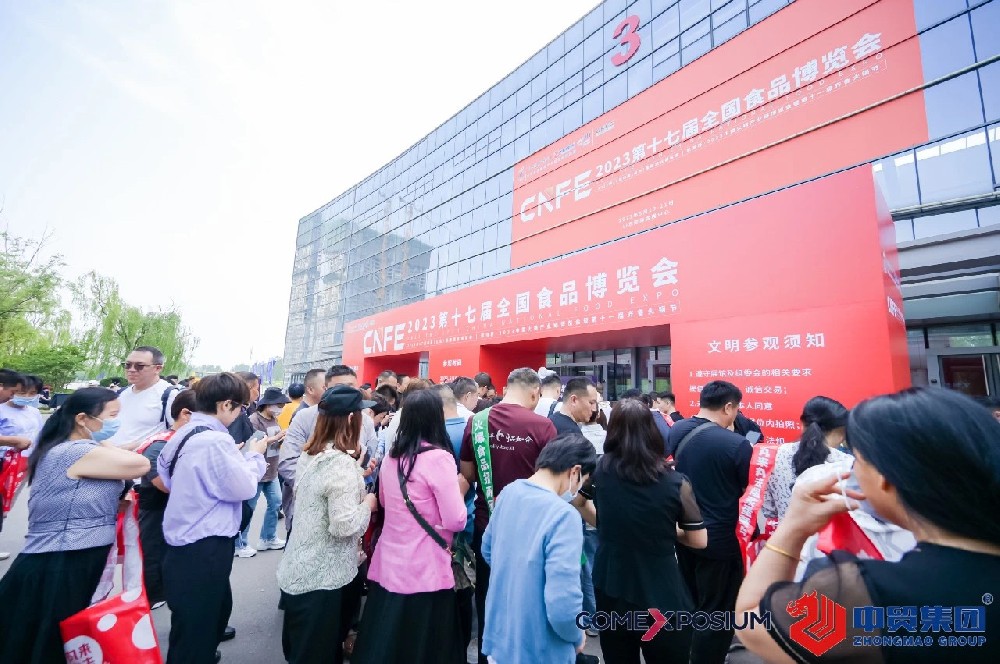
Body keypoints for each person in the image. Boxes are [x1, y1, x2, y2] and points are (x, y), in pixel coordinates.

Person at [737, 387, 1000, 663]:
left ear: (884, 477)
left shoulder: (864, 594)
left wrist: (794, 528)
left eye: (859, 462)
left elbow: (751, 620)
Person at [0, 387, 150, 663]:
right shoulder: (75, 450)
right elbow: (140, 464)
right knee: (51, 635)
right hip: (63, 555)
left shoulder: (68, 447)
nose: (116, 422)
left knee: (41, 632)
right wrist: (104, 442)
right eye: (112, 416)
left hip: (69, 552)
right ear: (82, 419)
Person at [579, 400, 707, 662]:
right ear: (652, 431)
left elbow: (579, 502)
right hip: (661, 589)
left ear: (612, 431)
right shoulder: (675, 482)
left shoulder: (600, 471)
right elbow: (699, 540)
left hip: (611, 583)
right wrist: (665, 532)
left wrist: (608, 526)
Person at [157, 372, 268, 664]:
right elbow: (244, 487)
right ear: (226, 404)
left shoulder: (184, 433)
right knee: (199, 629)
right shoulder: (215, 441)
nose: (240, 413)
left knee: (189, 623)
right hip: (205, 544)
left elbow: (166, 476)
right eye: (240, 407)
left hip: (183, 541)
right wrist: (255, 456)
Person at [352, 390, 469, 664]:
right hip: (426, 565)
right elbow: (456, 519)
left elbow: (384, 502)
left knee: (387, 639)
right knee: (425, 644)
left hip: (389, 561)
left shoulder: (391, 458)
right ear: (436, 418)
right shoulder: (439, 458)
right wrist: (461, 488)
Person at [460, 367, 558, 664]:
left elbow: (467, 473)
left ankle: (487, 655)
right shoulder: (543, 426)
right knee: (527, 599)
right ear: (534, 393)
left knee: (487, 596)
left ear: (505, 388)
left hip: (486, 524)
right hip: (530, 529)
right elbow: (553, 482)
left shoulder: (476, 421)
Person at [277, 385, 377, 664]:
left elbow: (323, 493)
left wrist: (356, 474)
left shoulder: (312, 453)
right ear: (351, 419)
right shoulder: (339, 464)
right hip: (322, 580)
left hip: (299, 568)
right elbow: (343, 525)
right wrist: (367, 504)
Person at [481, 434, 596, 664]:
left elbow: (487, 550)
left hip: (501, 638)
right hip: (541, 648)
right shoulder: (564, 516)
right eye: (583, 481)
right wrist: (577, 634)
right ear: (575, 471)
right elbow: (563, 604)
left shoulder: (509, 492)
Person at [665, 380, 753, 664]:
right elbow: (746, 489)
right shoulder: (737, 445)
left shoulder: (677, 429)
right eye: (736, 409)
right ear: (728, 407)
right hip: (720, 540)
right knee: (717, 611)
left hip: (685, 532)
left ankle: (688, 652)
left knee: (691, 600)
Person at [279, 366, 377, 535]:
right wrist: (319, 492)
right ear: (326, 389)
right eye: (340, 388)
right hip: (308, 513)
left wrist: (365, 468)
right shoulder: (304, 417)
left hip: (350, 510)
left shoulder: (365, 421)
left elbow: (369, 457)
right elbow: (288, 462)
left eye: (351, 388)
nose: (346, 394)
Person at [135, 388, 197, 609]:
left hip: (177, 511)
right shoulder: (159, 445)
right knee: (154, 552)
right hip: (156, 509)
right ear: (185, 414)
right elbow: (163, 484)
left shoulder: (184, 440)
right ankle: (153, 596)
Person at [434, 383, 477, 651]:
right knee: (466, 585)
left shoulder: (435, 437)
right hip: (471, 517)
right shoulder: (472, 429)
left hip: (443, 525)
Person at [762, 396, 851, 522]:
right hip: (831, 535)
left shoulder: (777, 454)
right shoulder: (847, 464)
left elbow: (769, 511)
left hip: (786, 534)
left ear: (802, 424)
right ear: (842, 431)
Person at [235, 387, 290, 557]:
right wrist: (276, 438)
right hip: (258, 471)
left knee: (276, 503)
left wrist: (281, 440)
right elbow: (253, 444)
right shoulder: (254, 420)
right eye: (279, 405)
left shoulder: (274, 419)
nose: (281, 409)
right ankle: (240, 544)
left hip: (272, 469)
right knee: (249, 508)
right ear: (268, 405)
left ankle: (268, 537)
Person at [106, 346, 179, 449]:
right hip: (109, 454)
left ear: (157, 368)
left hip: (139, 457)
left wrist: (134, 446)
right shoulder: (122, 393)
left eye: (139, 366)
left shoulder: (169, 395)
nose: (131, 370)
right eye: (127, 365)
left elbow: (176, 432)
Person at [0, 373, 44, 454]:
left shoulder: (35, 412)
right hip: (7, 457)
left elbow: (40, 434)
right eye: (22, 393)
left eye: (32, 393)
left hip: (31, 457)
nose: (27, 396)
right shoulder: (1, 410)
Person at [226, 371, 262, 445]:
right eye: (257, 388)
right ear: (247, 388)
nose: (258, 393)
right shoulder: (235, 414)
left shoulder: (245, 409)